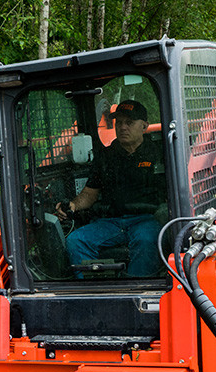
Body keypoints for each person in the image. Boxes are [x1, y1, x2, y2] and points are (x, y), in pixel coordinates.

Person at [55, 99, 166, 277]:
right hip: (111, 222)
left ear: (144, 126)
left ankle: (136, 290)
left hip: (146, 220)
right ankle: (92, 290)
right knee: (76, 240)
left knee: (147, 240)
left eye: (129, 123)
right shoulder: (106, 156)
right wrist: (73, 205)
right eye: (119, 122)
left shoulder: (160, 154)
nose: (122, 127)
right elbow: (90, 193)